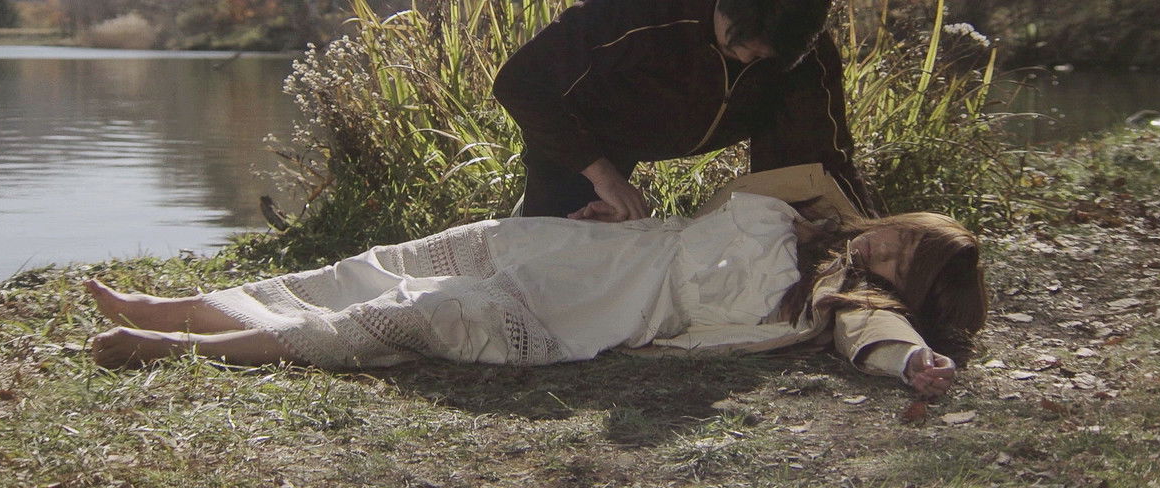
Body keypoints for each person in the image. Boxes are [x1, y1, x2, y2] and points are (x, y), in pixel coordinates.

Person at [86, 193, 986, 397]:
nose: (885, 246)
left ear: (904, 280)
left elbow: (878, 337)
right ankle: (171, 305)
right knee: (374, 264)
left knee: (402, 315)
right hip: (572, 249)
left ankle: (182, 347)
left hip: (581, 313)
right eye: (900, 232)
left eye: (903, 257)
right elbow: (694, 210)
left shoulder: (842, 297)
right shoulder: (806, 208)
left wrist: (914, 363)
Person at [492, 0, 875, 222]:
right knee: (553, 255)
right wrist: (602, 175)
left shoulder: (801, 45)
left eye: (762, 56)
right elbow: (521, 81)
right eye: (738, 42)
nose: (746, 58)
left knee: (794, 229)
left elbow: (825, 163)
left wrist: (870, 234)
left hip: (721, 127)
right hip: (591, 130)